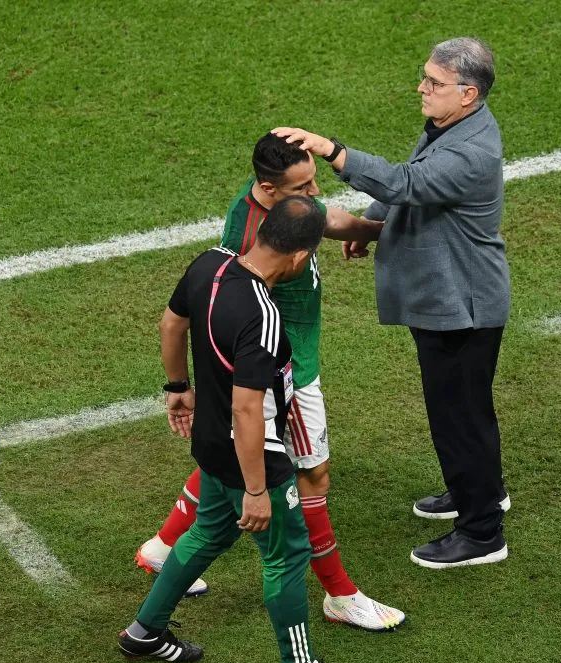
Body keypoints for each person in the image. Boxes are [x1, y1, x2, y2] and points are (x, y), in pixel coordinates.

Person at [135, 133, 404, 631]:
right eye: (303, 186)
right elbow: (219, 320)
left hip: (285, 358)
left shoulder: (278, 198)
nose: (314, 192)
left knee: (229, 463)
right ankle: (339, 594)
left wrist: (374, 231)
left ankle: (164, 545)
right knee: (311, 474)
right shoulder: (249, 241)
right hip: (284, 368)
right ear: (268, 190)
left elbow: (323, 217)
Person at [273, 37, 511, 569]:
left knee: (458, 418)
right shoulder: (452, 126)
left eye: (434, 82)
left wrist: (332, 150)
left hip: (461, 304)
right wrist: (377, 222)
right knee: (465, 410)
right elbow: (415, 179)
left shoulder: (471, 149)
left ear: (468, 93)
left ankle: (482, 533)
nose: (421, 88)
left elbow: (409, 181)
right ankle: (479, 492)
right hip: (453, 296)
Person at [117, 197, 352, 663]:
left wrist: (178, 387)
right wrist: (257, 489)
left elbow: (171, 323)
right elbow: (248, 409)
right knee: (286, 557)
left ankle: (145, 632)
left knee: (207, 533)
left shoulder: (209, 263)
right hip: (252, 454)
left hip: (210, 442)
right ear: (299, 257)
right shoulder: (263, 314)